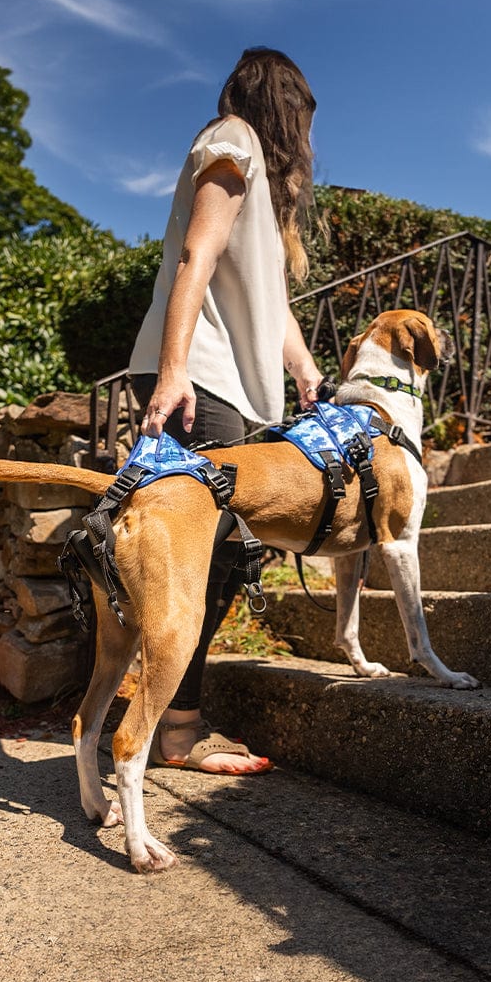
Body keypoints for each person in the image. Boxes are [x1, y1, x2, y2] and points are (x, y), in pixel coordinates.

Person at [128, 47, 325, 774]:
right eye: (304, 117)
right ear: (285, 107)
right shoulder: (234, 138)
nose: (309, 135)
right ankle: (176, 728)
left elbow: (267, 306)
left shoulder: (262, 185)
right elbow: (196, 255)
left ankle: (166, 717)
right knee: (199, 558)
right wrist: (174, 370)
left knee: (223, 556)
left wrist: (304, 372)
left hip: (227, 387)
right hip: (199, 379)